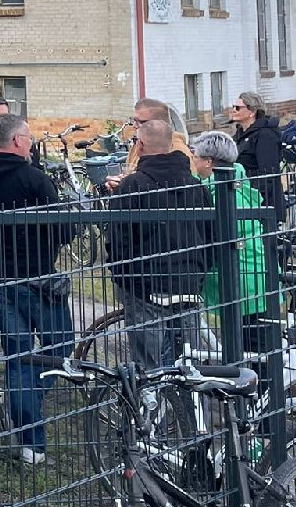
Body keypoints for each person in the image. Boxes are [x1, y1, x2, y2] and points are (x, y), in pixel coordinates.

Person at [0, 114, 74, 464]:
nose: (32, 143)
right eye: (29, 137)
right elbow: (62, 231)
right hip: (39, 280)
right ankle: (26, 411)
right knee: (61, 346)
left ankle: (29, 440)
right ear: (19, 141)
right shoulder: (34, 179)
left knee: (19, 356)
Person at [105, 119, 212, 372]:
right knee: (190, 365)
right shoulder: (195, 186)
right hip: (188, 281)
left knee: (148, 368)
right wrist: (199, 271)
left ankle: (153, 395)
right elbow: (211, 236)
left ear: (140, 145)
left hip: (145, 286)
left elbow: (119, 239)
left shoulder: (132, 186)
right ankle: (189, 396)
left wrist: (123, 276)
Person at [191, 129, 268, 354]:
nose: (193, 162)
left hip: (241, 279)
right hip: (251, 277)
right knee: (246, 341)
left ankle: (260, 377)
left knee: (251, 347)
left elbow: (221, 234)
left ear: (208, 162)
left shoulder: (220, 191)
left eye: (195, 157)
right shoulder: (239, 181)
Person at [229, 91, 283, 212]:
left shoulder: (266, 135)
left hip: (262, 203)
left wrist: (253, 196)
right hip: (243, 196)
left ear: (252, 112)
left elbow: (268, 173)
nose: (233, 110)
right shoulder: (239, 134)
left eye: (238, 108)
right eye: (233, 107)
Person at [123, 97, 191, 172]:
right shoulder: (139, 143)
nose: (135, 126)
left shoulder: (178, 150)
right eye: (135, 120)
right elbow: (129, 171)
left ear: (160, 124)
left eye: (142, 122)